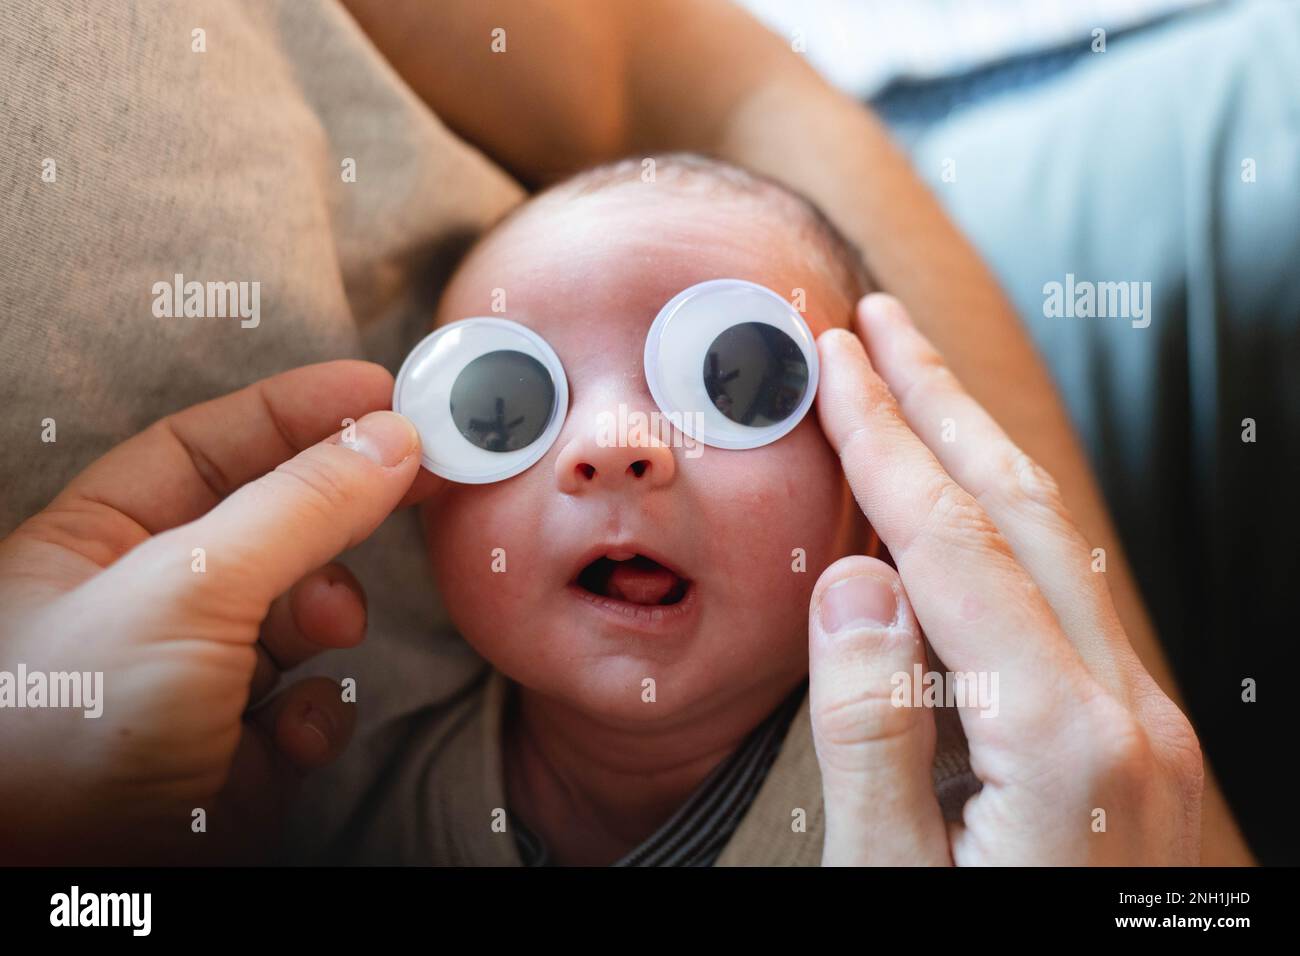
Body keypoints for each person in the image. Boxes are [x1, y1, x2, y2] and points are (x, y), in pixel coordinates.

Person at [0, 0, 1249, 862]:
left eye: (737, 377)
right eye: (506, 405)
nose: (613, 445)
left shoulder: (982, 761)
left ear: (882, 476)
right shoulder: (340, 772)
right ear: (414, 505)